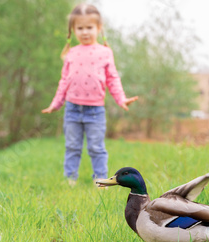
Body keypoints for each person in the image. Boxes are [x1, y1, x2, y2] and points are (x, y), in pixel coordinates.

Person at [42, 3, 138, 186]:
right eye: (80, 28)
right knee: (72, 147)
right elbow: (64, 81)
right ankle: (70, 179)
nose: (85, 32)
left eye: (89, 27)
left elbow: (113, 79)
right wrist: (56, 104)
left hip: (95, 111)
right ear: (73, 30)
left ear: (98, 28)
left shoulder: (105, 53)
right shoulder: (71, 53)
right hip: (72, 109)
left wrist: (121, 99)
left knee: (96, 148)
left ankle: (100, 181)